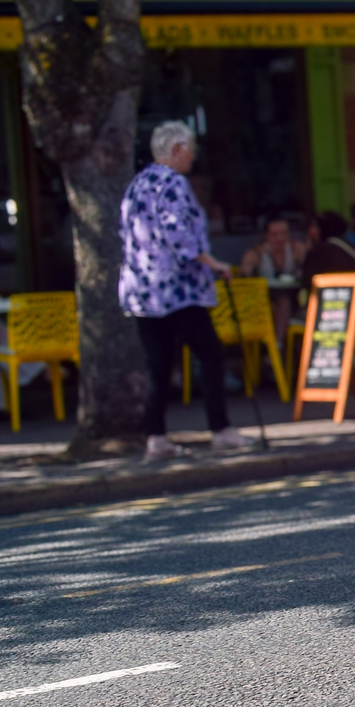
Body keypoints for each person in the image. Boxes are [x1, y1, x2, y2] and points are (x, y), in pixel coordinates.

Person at [119, 120, 249, 461]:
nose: (193, 156)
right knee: (211, 353)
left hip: (142, 290)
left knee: (158, 363)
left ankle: (156, 436)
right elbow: (179, 236)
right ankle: (220, 429)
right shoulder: (173, 183)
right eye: (190, 149)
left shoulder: (137, 184)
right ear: (176, 149)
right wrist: (213, 263)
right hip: (177, 289)